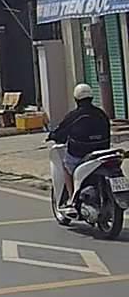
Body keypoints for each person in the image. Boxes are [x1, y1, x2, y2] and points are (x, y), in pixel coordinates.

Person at [47, 83, 112, 213]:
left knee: (66, 167)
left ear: (76, 99)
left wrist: (52, 136)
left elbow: (61, 132)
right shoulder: (101, 114)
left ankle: (72, 200)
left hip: (80, 155)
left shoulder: (74, 116)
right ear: (91, 97)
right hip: (102, 152)